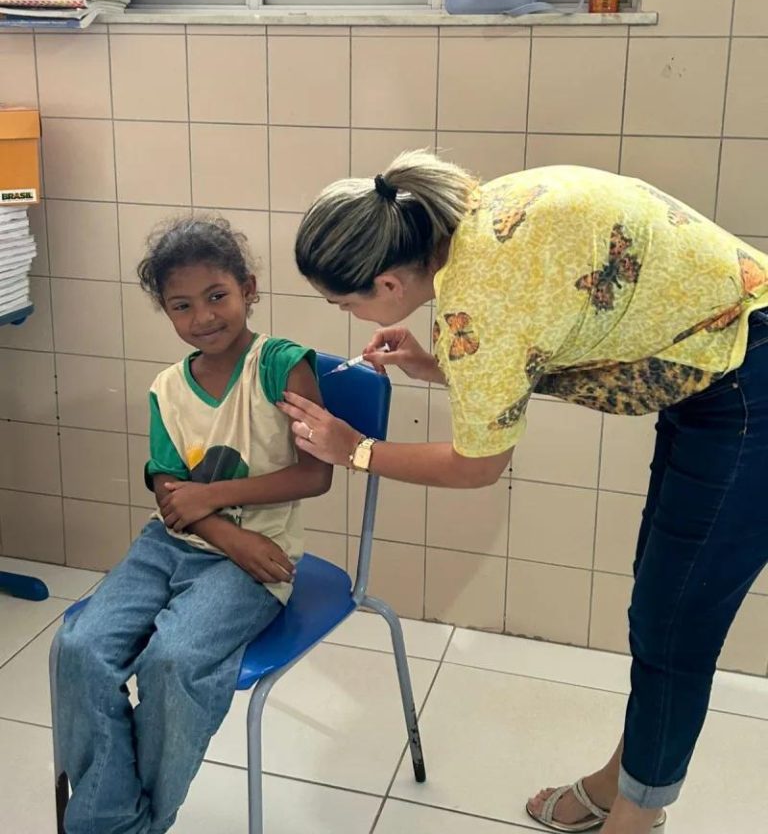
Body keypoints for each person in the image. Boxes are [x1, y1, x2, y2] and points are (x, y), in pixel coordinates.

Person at [278, 151, 768, 834]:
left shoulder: (478, 294)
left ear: (387, 283)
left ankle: (637, 816)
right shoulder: (476, 217)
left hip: (744, 377)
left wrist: (353, 450)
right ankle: (626, 784)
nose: (349, 315)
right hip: (717, 360)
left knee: (675, 622)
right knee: (661, 602)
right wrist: (439, 363)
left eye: (345, 303)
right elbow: (527, 340)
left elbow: (477, 466)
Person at [52, 216, 332, 834]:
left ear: (248, 289)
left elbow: (316, 474)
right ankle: (114, 820)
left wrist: (213, 498)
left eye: (216, 296)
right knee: (78, 648)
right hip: (174, 544)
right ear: (166, 311)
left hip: (259, 560)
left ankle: (127, 825)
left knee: (173, 661)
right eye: (182, 305)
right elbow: (167, 488)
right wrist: (224, 528)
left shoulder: (281, 365)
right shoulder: (167, 388)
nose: (203, 316)